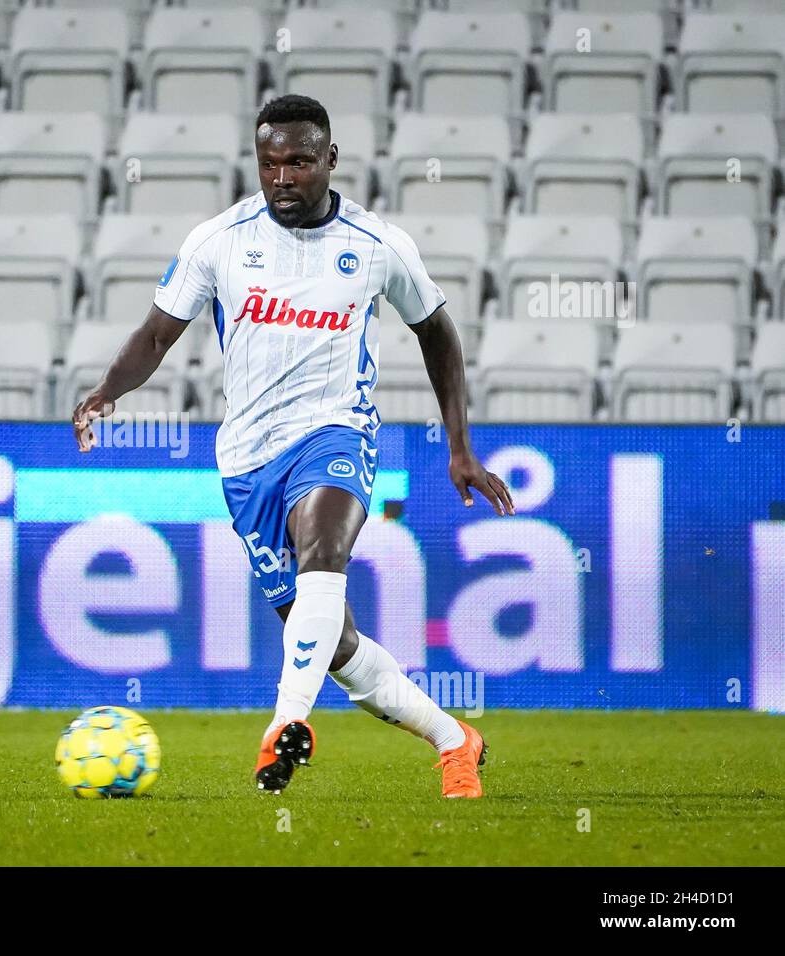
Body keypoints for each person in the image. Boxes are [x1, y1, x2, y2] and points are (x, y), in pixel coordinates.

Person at [71, 94, 515, 797]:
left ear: (330, 160)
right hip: (246, 461)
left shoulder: (378, 246)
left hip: (336, 433)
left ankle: (285, 726)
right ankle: (454, 738)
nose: (283, 177)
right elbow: (158, 334)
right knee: (334, 644)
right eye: (270, 163)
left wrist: (459, 447)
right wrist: (107, 392)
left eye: (300, 162)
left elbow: (437, 330)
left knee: (324, 550)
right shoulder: (219, 240)